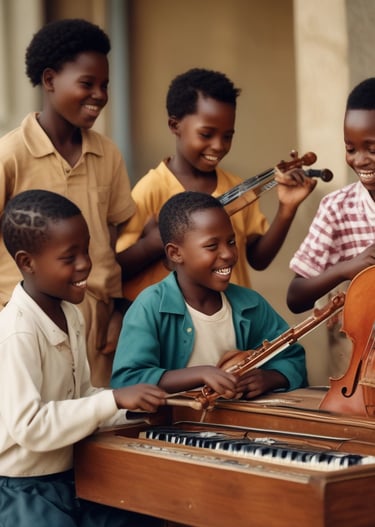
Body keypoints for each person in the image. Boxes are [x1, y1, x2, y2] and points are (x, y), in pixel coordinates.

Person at [0, 189, 166, 527]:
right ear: (27, 262)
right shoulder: (18, 332)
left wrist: (132, 409)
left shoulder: (70, 312)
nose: (85, 264)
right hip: (22, 489)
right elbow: (30, 426)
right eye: (69, 257)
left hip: (71, 473)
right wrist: (114, 399)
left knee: (143, 514)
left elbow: (80, 398)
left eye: (86, 249)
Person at [0, 19, 136, 387]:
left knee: (91, 423)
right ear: (49, 80)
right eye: (87, 83)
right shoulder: (10, 154)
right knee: (35, 425)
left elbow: (113, 239)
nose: (99, 95)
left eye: (105, 85)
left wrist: (117, 307)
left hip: (95, 322)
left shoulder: (107, 153)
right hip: (26, 319)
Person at [116, 67, 317, 303]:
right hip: (175, 322)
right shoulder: (152, 188)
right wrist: (152, 244)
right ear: (174, 125)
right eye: (206, 134)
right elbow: (119, 266)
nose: (218, 146)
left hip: (233, 317)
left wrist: (286, 209)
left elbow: (258, 260)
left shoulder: (237, 187)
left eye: (227, 136)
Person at [111, 191, 307, 399]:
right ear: (175, 253)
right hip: (173, 426)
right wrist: (200, 374)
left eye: (231, 242)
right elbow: (128, 380)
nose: (228, 254)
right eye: (212, 246)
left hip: (238, 425)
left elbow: (292, 358)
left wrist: (270, 378)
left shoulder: (251, 304)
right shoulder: (149, 306)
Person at [287, 77, 375, 377]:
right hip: (354, 368)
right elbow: (295, 297)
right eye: (351, 149)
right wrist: (347, 269)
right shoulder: (336, 208)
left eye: (372, 149)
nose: (360, 160)